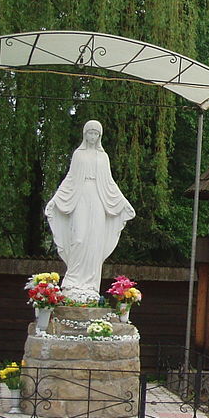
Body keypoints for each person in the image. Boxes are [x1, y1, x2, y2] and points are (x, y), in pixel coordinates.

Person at [46, 120, 135, 302]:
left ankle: (91, 285)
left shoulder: (103, 157)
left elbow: (109, 182)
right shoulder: (78, 155)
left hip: (99, 199)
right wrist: (55, 199)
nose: (92, 137)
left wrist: (123, 202)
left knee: (95, 240)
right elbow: (70, 178)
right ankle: (73, 281)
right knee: (79, 237)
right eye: (90, 133)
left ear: (99, 136)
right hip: (81, 197)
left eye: (96, 134)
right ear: (85, 134)